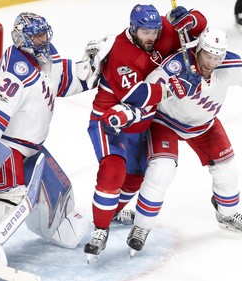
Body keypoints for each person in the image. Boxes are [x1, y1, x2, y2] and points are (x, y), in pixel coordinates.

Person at [0, 12, 99, 274]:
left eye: (44, 34)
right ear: (23, 39)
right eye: (37, 36)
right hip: (9, 148)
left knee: (60, 193)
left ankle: (57, 228)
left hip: (32, 148)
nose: (43, 40)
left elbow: (63, 79)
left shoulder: (43, 57)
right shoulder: (16, 72)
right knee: (11, 198)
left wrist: (91, 69)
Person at [126, 26, 242, 254]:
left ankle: (227, 215)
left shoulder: (230, 64)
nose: (211, 62)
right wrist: (171, 88)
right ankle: (140, 227)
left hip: (204, 124)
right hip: (166, 121)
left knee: (227, 170)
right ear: (198, 49)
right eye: (207, 56)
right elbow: (146, 88)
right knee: (162, 171)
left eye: (217, 57)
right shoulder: (177, 63)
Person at [82, 4, 207, 262]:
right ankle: (100, 231)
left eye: (154, 31)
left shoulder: (162, 30)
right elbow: (136, 95)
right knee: (113, 169)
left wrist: (189, 20)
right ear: (132, 28)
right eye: (145, 32)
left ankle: (111, 212)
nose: (151, 37)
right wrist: (174, 88)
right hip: (111, 118)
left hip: (143, 121)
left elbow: (202, 28)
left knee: (136, 177)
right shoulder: (120, 52)